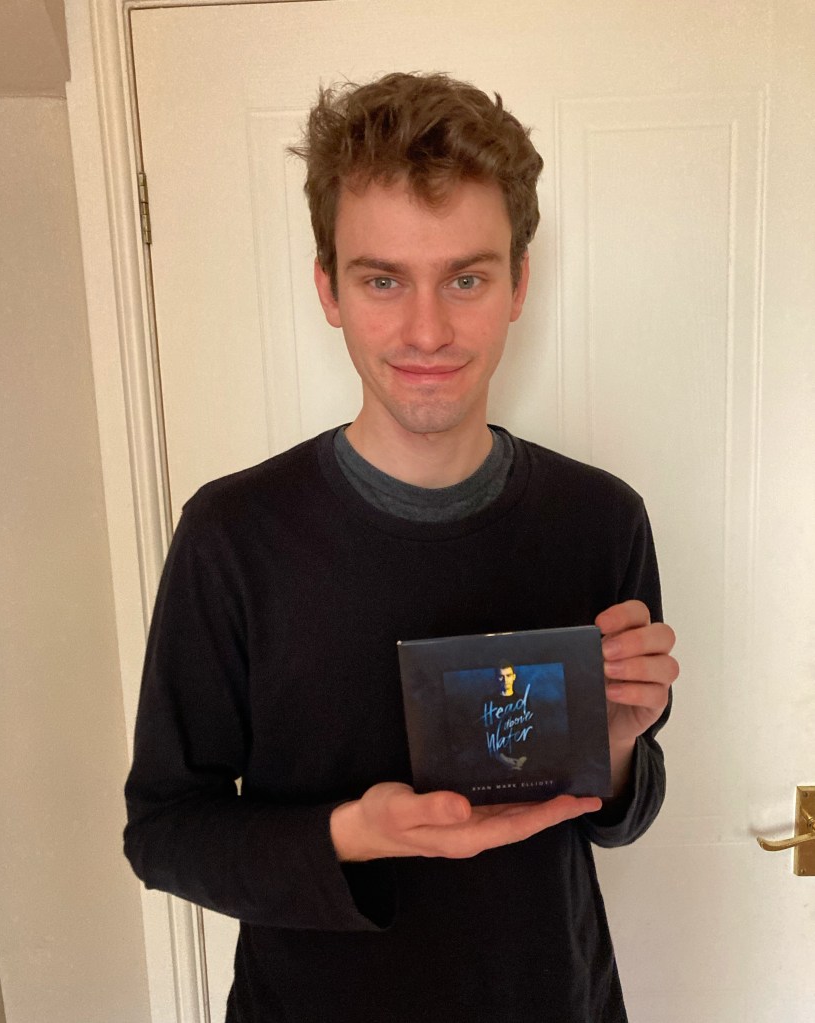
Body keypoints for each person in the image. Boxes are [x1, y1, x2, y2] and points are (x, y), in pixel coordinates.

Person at [124, 72, 678, 1022]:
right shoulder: (232, 533)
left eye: (466, 278)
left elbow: (618, 816)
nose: (427, 331)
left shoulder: (600, 518)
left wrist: (621, 749)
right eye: (382, 279)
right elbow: (166, 831)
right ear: (328, 289)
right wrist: (352, 833)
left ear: (517, 285)